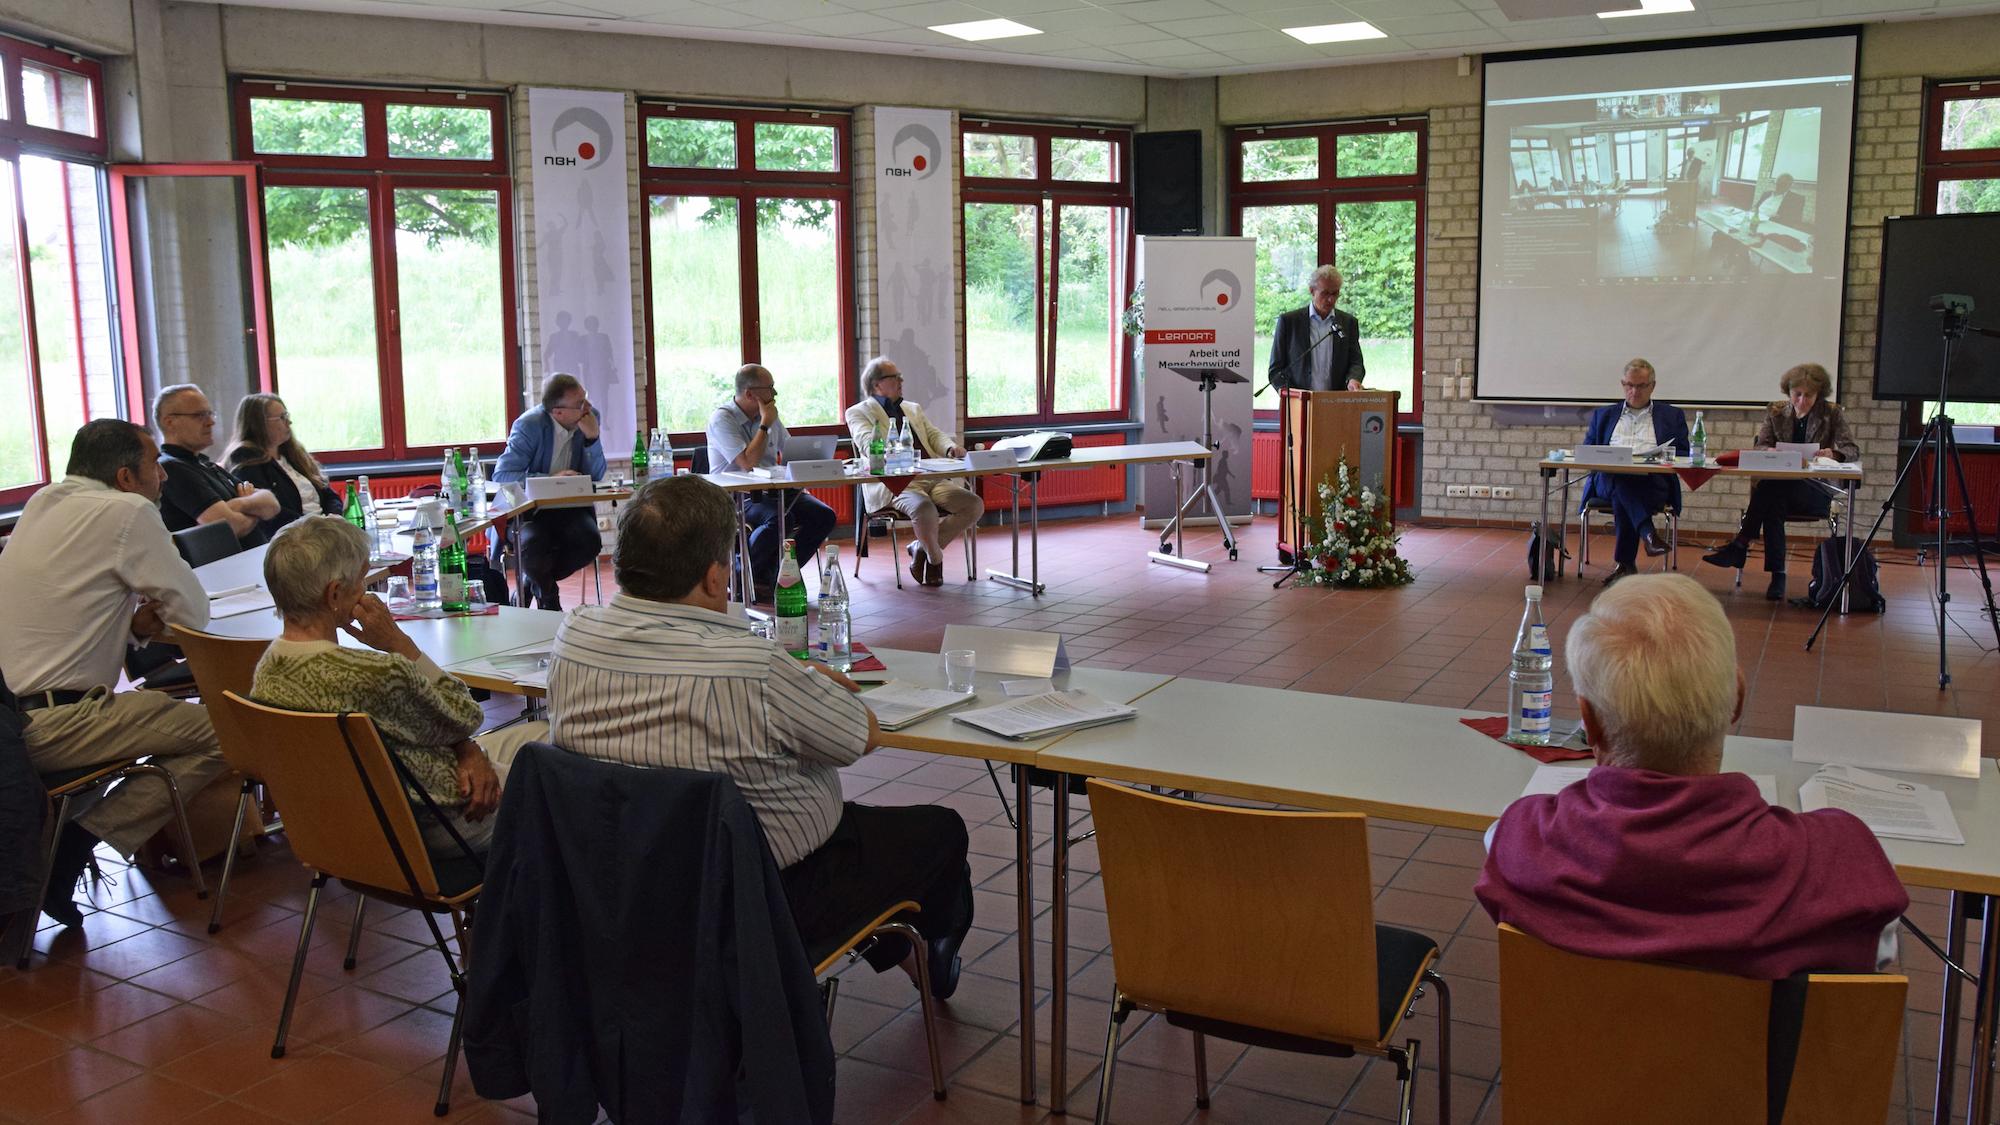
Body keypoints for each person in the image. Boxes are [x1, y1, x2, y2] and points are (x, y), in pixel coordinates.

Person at [547, 475, 973, 999]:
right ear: (711, 577)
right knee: (939, 832)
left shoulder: (573, 638)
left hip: (619, 885)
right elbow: (859, 736)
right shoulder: (755, 667)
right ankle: (926, 951)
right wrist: (815, 683)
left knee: (857, 849)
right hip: (760, 893)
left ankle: (897, 950)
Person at [1475, 574, 1906, 980]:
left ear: (1590, 722)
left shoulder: (1515, 844)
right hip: (1758, 1062)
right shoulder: (1843, 868)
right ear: (1736, 699)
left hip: (1573, 1058)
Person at [0, 419, 232, 927]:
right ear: (127, 477)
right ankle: (74, 850)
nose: (164, 478)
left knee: (187, 722)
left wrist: (131, 626)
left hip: (11, 721)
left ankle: (70, 849)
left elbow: (58, 612)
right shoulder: (127, 511)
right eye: (155, 466)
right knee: (227, 734)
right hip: (59, 725)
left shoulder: (42, 503)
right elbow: (193, 613)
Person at [249, 516, 535, 862]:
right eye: (361, 581)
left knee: (535, 738)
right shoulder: (378, 674)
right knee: (558, 764)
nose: (366, 591)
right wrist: (399, 643)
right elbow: (466, 714)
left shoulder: (267, 670)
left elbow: (444, 726)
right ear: (335, 594)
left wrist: (467, 750)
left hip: (349, 833)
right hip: (444, 824)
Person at [1702, 363, 1859, 600]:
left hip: (1815, 489)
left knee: (1769, 491)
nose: (1802, 400)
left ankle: (1743, 546)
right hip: (1781, 489)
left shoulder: (1831, 413)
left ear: (1819, 394)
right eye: (1797, 394)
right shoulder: (1776, 411)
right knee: (1773, 501)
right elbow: (1760, 445)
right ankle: (1776, 575)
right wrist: (1770, 450)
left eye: (1809, 395)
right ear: (1789, 393)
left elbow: (1852, 449)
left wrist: (1833, 454)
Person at [845, 357, 984, 587]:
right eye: (895, 377)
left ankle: (921, 547)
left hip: (930, 477)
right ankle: (935, 558)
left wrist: (950, 447)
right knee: (924, 509)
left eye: (900, 376)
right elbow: (867, 445)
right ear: (877, 384)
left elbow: (933, 434)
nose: (901, 380)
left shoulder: (912, 408)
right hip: (893, 483)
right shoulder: (859, 412)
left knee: (973, 504)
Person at [705, 363, 837, 601]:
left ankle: (776, 573)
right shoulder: (722, 419)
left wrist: (810, 463)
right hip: (737, 495)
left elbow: (790, 452)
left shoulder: (770, 416)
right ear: (750, 394)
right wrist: (765, 424)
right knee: (780, 518)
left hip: (773, 490)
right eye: (770, 388)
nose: (775, 394)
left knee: (824, 515)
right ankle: (741, 573)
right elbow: (747, 462)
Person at [492, 373, 607, 610]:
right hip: (531, 512)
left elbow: (597, 475)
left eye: (585, 399)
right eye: (580, 404)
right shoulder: (529, 426)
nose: (588, 407)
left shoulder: (589, 419)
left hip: (569, 509)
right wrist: (550, 480)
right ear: (558, 412)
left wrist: (593, 439)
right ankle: (549, 598)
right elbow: (502, 476)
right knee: (534, 545)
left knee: (589, 543)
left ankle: (530, 582)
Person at [1580, 359, 1688, 585]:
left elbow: (1684, 454)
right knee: (1621, 482)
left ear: (1653, 386)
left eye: (1641, 386)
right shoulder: (1604, 415)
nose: (1634, 391)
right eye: (1629, 385)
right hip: (1608, 480)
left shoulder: (1672, 415)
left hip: (1652, 482)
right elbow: (1588, 451)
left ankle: (1626, 564)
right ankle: (1648, 533)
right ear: (1622, 384)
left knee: (1625, 491)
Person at [153, 383, 280, 548]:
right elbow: (230, 526)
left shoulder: (205, 464)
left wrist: (239, 504)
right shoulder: (171, 468)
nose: (210, 422)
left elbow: (272, 504)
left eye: (210, 414)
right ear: (170, 422)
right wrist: (255, 510)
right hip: (219, 569)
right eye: (200, 415)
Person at [223, 393, 343, 538]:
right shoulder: (246, 460)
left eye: (287, 416)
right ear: (260, 423)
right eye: (282, 417)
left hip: (323, 529)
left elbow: (328, 494)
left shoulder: (293, 454)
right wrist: (317, 526)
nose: (289, 422)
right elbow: (274, 513)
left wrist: (333, 517)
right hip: (295, 537)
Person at [1268, 265, 1365, 393]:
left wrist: (1353, 379)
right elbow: (1276, 370)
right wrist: (1290, 395)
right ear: (1312, 291)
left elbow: (1356, 362)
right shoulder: (1289, 322)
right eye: (1325, 293)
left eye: (1335, 293)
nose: (1331, 299)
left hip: (1336, 403)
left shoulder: (1348, 323)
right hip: (1298, 405)